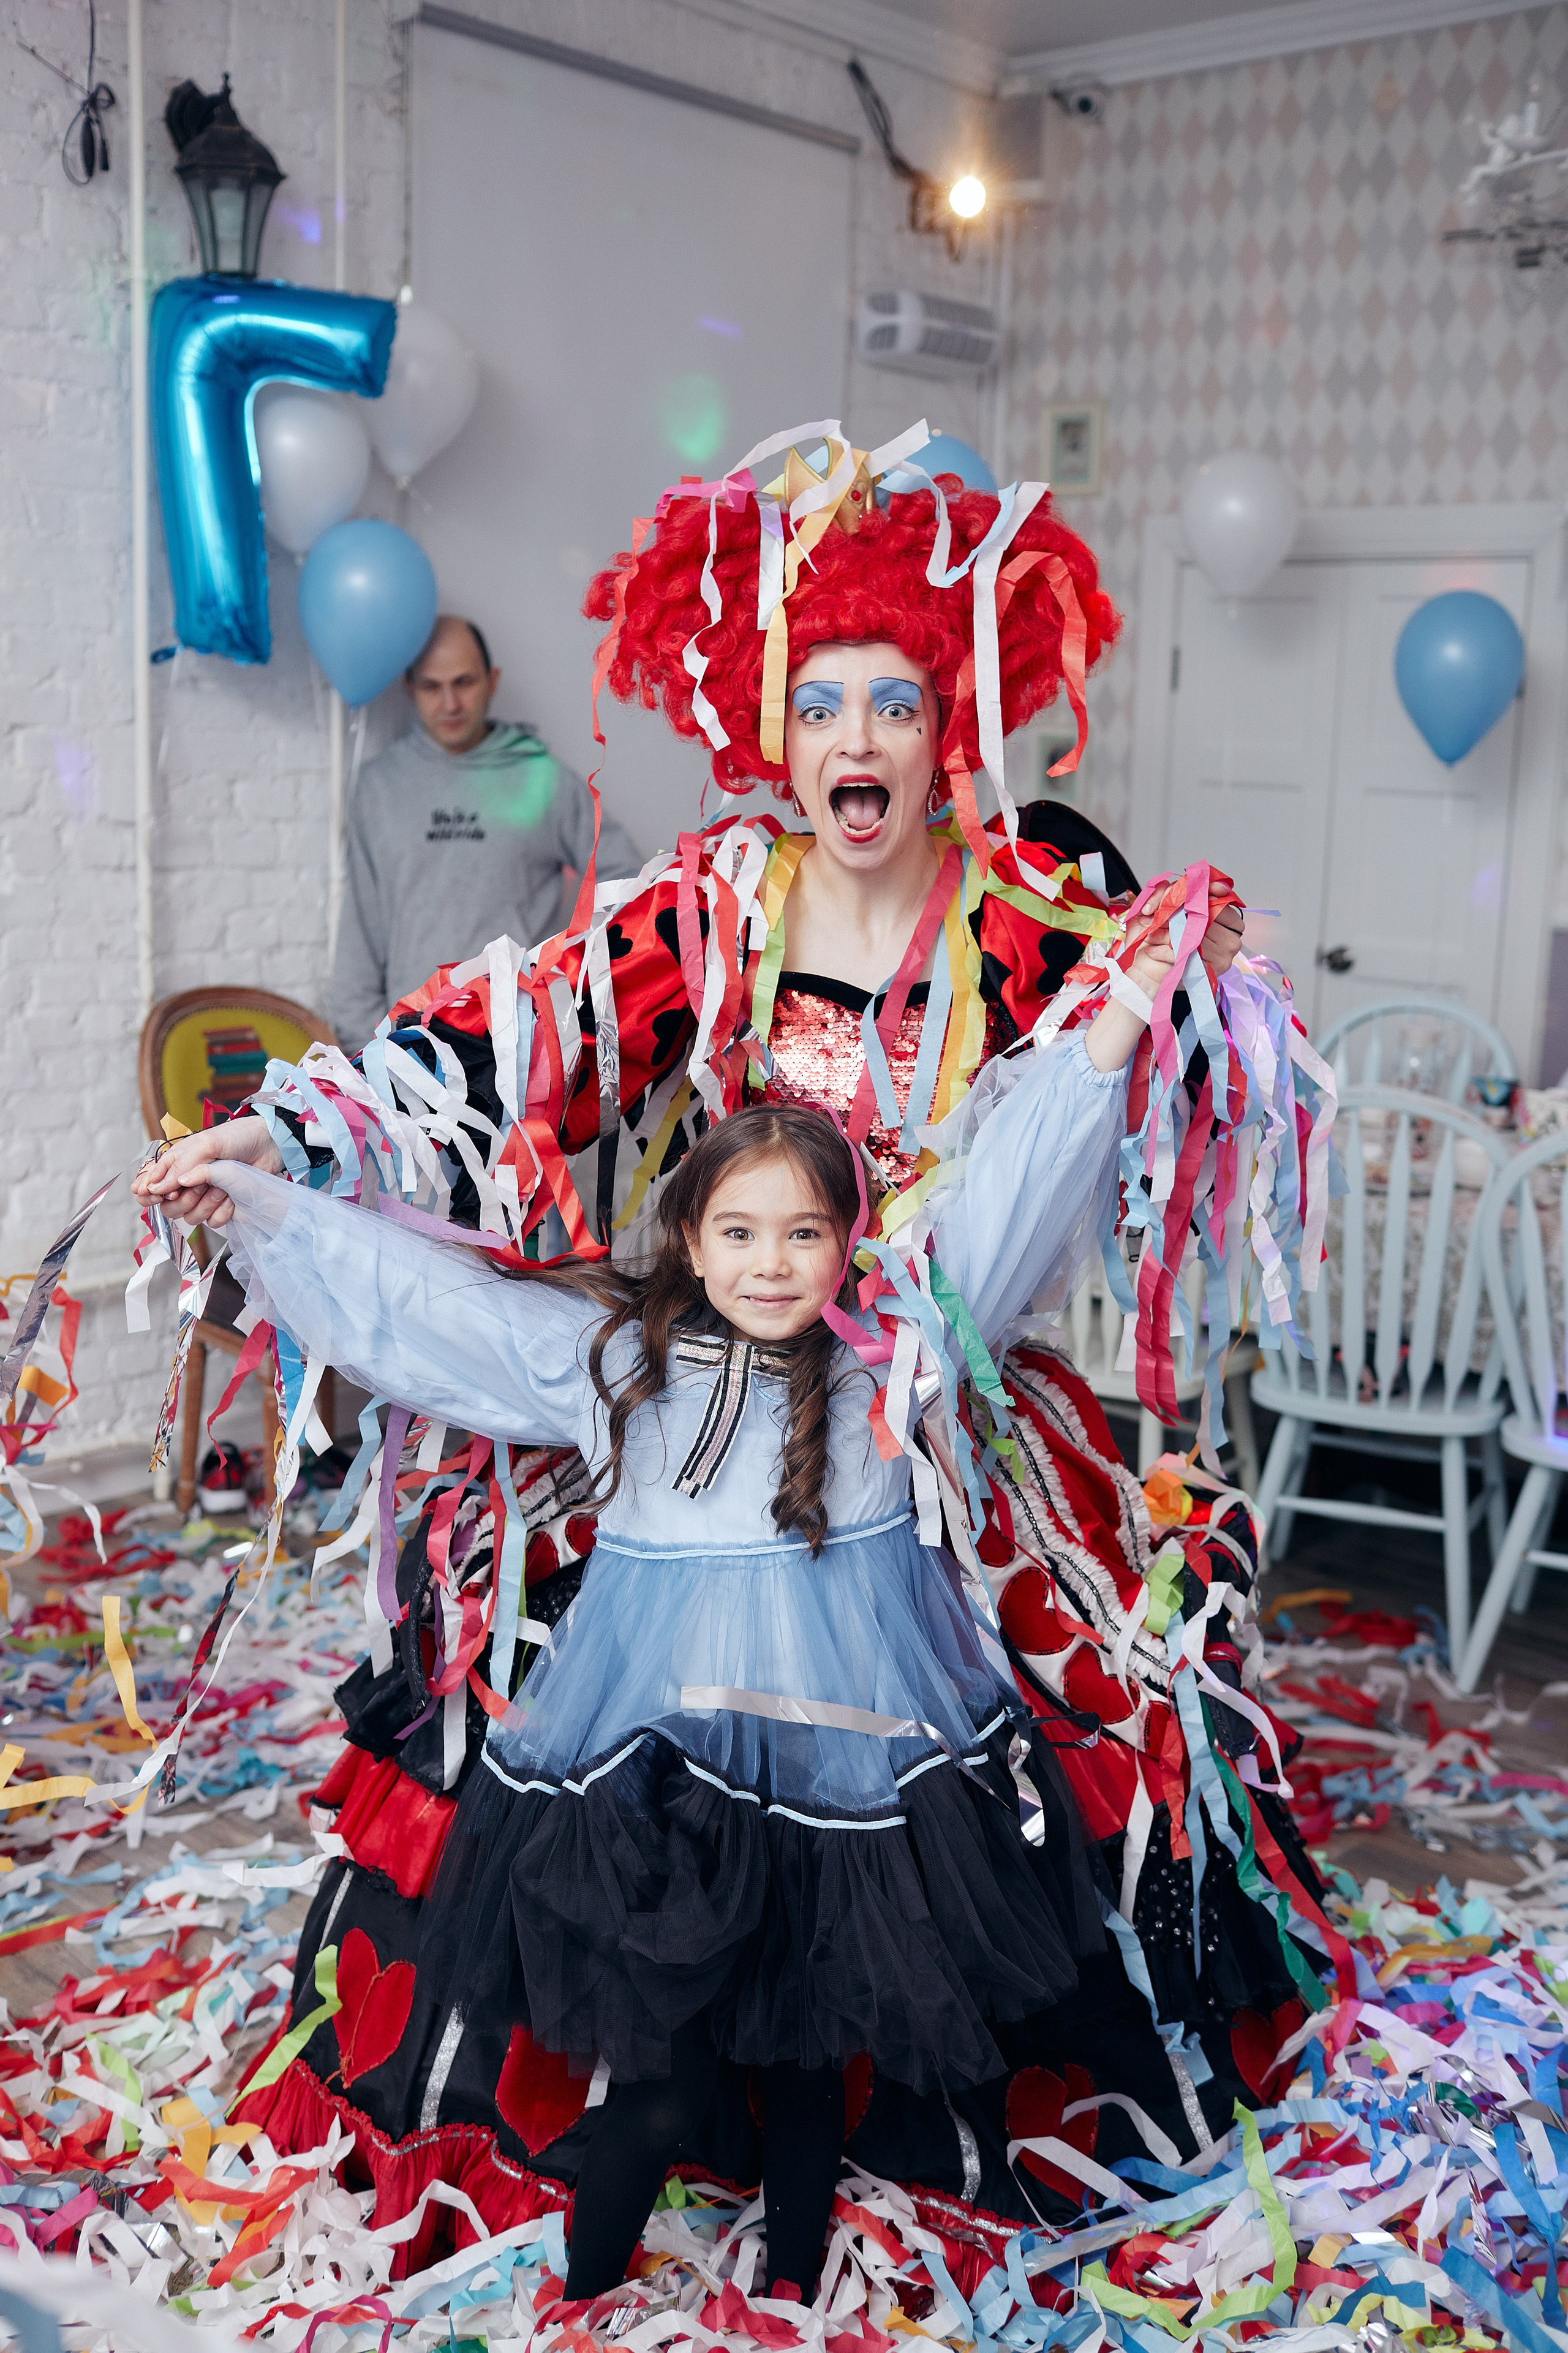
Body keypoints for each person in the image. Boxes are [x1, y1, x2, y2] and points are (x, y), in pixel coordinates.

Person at [138, 426, 1335, 2273]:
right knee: (537, 1698)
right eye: (819, 700)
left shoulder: (1028, 918)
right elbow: (487, 1036)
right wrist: (289, 1142)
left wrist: (1190, 982)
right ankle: (641, 2090)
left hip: (937, 1439)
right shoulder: (709, 907)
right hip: (703, 1406)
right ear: (778, 732)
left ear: (947, 727)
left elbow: (1149, 1058)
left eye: (893, 699)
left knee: (992, 1774)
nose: (854, 737)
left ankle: (844, 2115)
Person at [137, 909, 1170, 2302]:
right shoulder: (618, 1362)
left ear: (846, 1242)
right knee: (670, 2071)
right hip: (665, 1783)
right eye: (737, 1230)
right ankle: (595, 2262)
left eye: (802, 1233)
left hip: (851, 1774)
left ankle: (792, 2282)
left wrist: (1133, 997)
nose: (768, 1261)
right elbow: (417, 1309)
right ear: (688, 1235)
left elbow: (1021, 1172)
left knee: (812, 2070)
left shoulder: (893, 1358)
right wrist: (260, 1202)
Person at [330, 614, 643, 1051]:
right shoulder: (378, 786)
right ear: (409, 689)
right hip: (408, 1041)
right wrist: (360, 1044)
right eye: (431, 687)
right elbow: (361, 924)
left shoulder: (543, 779)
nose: (450, 703)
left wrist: (576, 990)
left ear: (492, 681)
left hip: (521, 1043)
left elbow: (628, 883)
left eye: (464, 683)